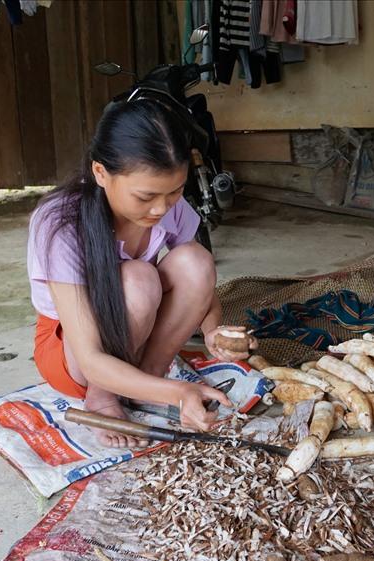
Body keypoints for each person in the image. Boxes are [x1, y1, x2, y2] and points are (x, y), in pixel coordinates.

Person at [27, 98, 255, 448]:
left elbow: (200, 286)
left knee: (195, 260)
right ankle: (104, 397)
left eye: (175, 191)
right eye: (146, 196)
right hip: (75, 356)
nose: (161, 208)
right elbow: (89, 357)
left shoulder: (168, 206)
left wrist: (213, 332)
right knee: (139, 278)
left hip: (136, 334)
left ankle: (146, 381)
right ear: (101, 173)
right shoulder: (61, 224)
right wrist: (180, 392)